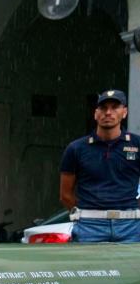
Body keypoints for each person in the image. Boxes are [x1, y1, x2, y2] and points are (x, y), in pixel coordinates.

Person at [59, 89, 139, 243]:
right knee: (88, 267)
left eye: (114, 107)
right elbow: (65, 195)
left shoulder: (137, 145)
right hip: (89, 226)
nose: (108, 113)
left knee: (132, 268)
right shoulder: (76, 148)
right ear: (95, 114)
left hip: (131, 226)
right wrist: (85, 214)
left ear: (124, 112)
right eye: (103, 108)